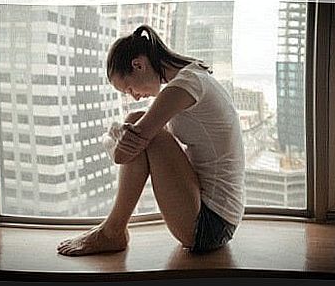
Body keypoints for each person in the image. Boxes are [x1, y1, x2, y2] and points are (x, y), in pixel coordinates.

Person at [57, 24, 245, 256]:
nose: (134, 95)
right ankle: (112, 230)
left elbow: (122, 155)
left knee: (143, 128)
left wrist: (112, 136)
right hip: (217, 217)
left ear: (138, 64)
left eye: (129, 88)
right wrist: (120, 133)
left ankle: (112, 231)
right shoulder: (192, 78)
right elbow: (135, 139)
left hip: (210, 225)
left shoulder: (184, 86)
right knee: (140, 124)